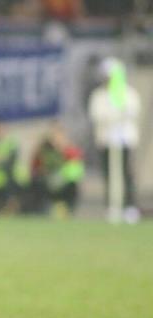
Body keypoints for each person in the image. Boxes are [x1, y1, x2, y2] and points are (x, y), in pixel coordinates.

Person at [87, 57, 141, 224]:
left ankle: (129, 206)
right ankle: (111, 206)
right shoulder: (99, 95)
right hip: (106, 140)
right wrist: (112, 115)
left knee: (126, 173)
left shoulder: (128, 93)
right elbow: (97, 115)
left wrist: (121, 110)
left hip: (125, 140)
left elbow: (133, 111)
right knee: (109, 175)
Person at [28, 125, 84, 217]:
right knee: (37, 184)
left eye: (58, 136)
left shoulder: (70, 151)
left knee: (73, 186)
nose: (56, 139)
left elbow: (76, 170)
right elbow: (34, 168)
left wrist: (63, 150)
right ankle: (42, 212)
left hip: (64, 183)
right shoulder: (43, 150)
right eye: (54, 135)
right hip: (46, 183)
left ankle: (68, 212)